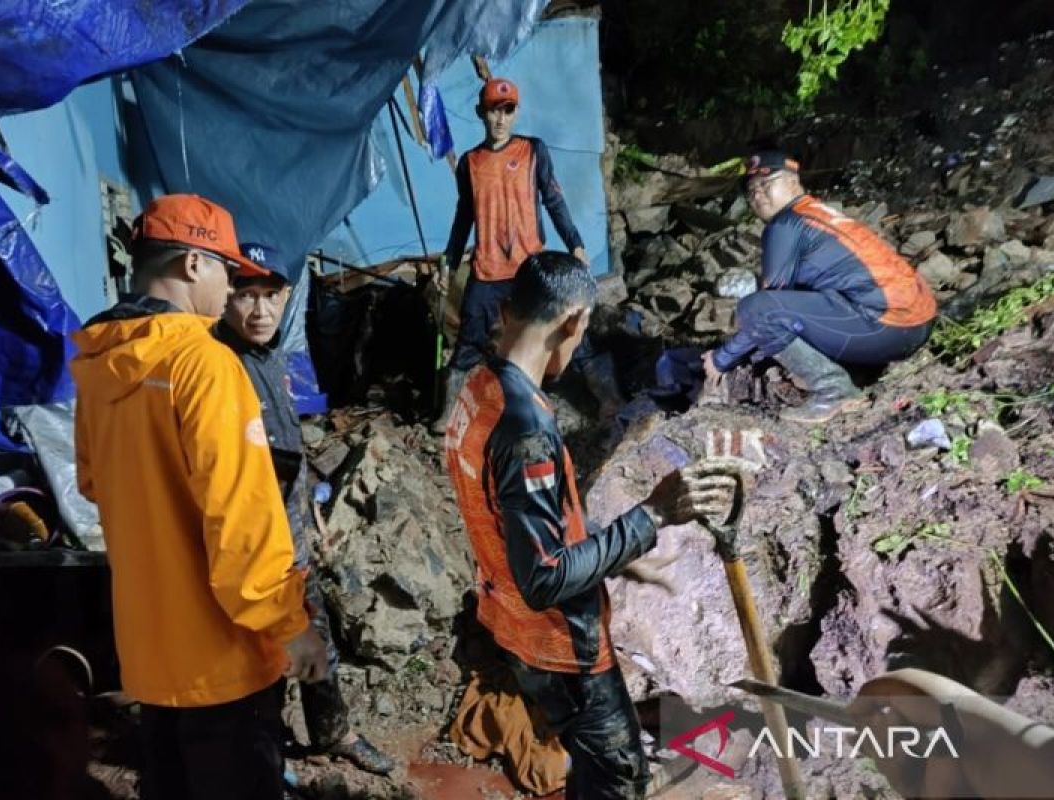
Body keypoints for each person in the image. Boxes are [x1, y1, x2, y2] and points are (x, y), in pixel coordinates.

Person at [443, 251, 737, 799]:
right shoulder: (525, 427)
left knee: (586, 756)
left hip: (508, 622)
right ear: (573, 322)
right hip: (557, 643)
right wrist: (651, 516)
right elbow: (545, 578)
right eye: (580, 333)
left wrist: (607, 544)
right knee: (619, 777)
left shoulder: (477, 388)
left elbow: (516, 517)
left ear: (506, 309)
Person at [71, 195, 327, 800]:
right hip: (223, 663)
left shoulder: (100, 366)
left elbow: (92, 484)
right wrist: (292, 628)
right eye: (227, 272)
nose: (231, 288)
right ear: (192, 265)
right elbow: (241, 524)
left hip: (151, 656)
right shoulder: (204, 365)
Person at [214, 242, 395, 775]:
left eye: (271, 296)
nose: (260, 310)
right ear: (225, 296)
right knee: (260, 666)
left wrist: (309, 521)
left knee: (320, 648)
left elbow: (285, 455)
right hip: (255, 552)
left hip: (293, 542)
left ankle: (332, 732)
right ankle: (265, 764)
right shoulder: (219, 367)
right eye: (246, 295)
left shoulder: (269, 359)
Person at [434, 77, 618, 432]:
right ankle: (450, 416)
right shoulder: (470, 163)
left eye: (508, 110)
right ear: (480, 113)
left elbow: (553, 199)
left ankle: (608, 397)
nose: (500, 118)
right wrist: (450, 261)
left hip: (530, 267)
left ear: (516, 113)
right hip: (487, 269)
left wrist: (576, 244)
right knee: (469, 342)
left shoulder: (533, 151)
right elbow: (463, 218)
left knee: (568, 329)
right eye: (493, 110)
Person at [703, 150, 937, 423]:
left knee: (755, 308)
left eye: (767, 184)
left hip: (889, 328)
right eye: (752, 191)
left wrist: (722, 358)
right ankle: (856, 370)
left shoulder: (785, 224)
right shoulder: (816, 213)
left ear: (793, 182)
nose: (759, 195)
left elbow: (768, 307)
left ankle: (834, 391)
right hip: (919, 323)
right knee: (787, 305)